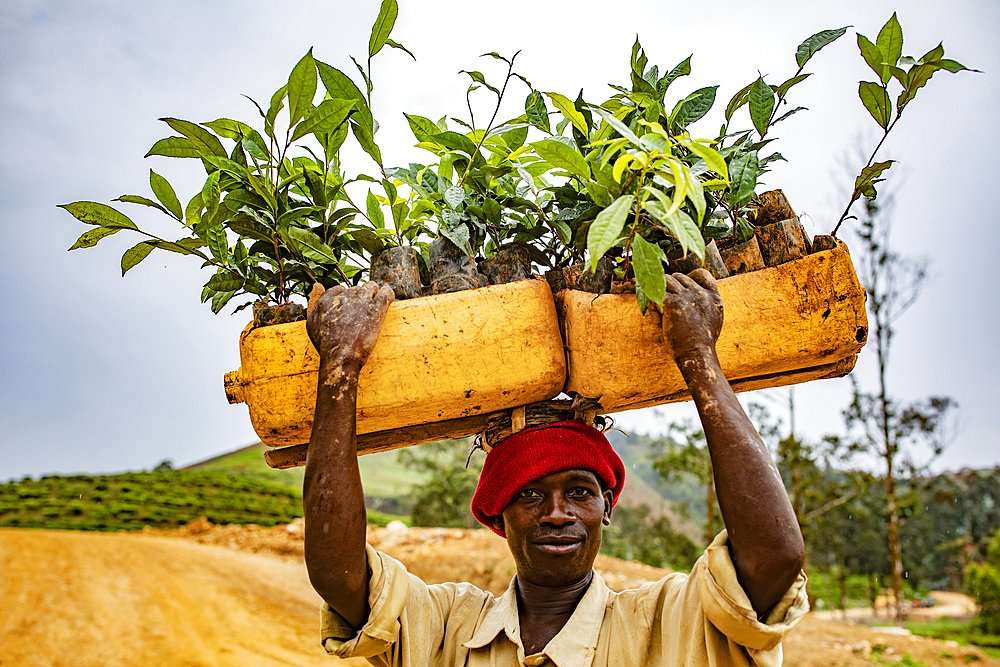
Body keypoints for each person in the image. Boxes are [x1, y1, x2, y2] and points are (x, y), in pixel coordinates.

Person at [302, 269, 808, 666]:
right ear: (498, 517)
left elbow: (775, 558)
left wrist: (700, 358)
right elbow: (339, 576)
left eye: (581, 492)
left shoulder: (667, 623)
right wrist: (342, 364)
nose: (558, 513)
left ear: (607, 507)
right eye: (529, 494)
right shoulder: (447, 630)